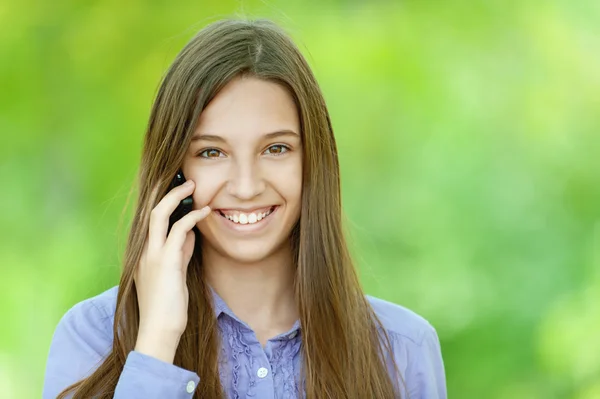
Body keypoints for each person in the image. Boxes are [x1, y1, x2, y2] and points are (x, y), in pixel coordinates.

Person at [42, 18, 447, 399]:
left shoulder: (404, 350)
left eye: (276, 148)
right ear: (175, 173)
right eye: (212, 151)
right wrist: (156, 342)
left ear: (313, 163)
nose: (247, 186)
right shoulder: (94, 338)